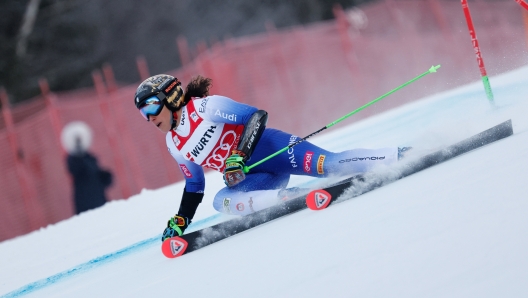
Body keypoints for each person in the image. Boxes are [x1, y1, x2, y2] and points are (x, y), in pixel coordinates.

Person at [133, 74, 407, 241]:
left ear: (170, 97)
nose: (149, 118)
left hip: (274, 151)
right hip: (257, 179)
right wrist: (182, 220)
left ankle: (400, 155)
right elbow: (194, 186)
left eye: (151, 106)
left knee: (330, 165)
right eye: (143, 113)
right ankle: (288, 197)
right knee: (221, 200)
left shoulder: (206, 107)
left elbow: (256, 116)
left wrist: (239, 154)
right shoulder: (174, 143)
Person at [61, 121, 113, 214]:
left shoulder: (90, 157)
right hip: (85, 200)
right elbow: (75, 169)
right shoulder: (73, 159)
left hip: (99, 197)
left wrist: (105, 176)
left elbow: (98, 177)